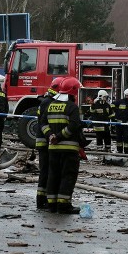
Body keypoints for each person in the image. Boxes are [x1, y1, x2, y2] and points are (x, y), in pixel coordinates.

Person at [39, 76, 83, 214]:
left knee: (53, 175)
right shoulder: (72, 107)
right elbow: (74, 126)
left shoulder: (51, 105)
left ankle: (52, 204)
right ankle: (64, 205)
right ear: (73, 91)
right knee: (68, 176)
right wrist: (59, 136)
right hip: (69, 149)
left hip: (53, 149)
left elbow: (43, 123)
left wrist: (50, 136)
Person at [35, 77, 62, 209]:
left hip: (45, 141)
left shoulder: (46, 101)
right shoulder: (48, 102)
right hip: (44, 142)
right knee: (45, 171)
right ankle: (41, 200)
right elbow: (44, 123)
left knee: (46, 171)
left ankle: (43, 199)